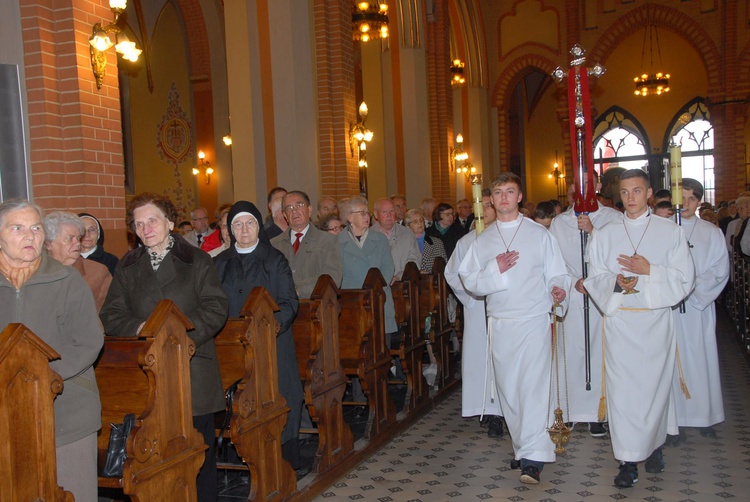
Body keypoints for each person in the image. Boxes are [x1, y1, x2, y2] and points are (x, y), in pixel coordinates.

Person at [100, 193, 228, 501]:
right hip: (149, 371)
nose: (145, 228)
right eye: (139, 224)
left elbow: (216, 307)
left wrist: (178, 336)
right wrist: (141, 328)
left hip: (192, 368)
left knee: (198, 457)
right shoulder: (128, 266)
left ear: (169, 222)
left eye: (152, 220)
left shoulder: (197, 259)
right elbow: (111, 313)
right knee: (158, 459)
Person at [584, 169, 694, 488]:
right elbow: (594, 275)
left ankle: (655, 446)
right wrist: (615, 282)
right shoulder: (604, 233)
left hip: (655, 320)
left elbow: (686, 278)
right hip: (620, 323)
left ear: (648, 193)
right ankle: (627, 460)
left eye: (637, 191)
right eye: (625, 192)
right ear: (620, 195)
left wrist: (651, 270)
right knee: (623, 394)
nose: (630, 197)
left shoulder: (669, 231)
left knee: (654, 390)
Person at [458, 172, 569, 484]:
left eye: (510, 191)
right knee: (509, 391)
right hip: (501, 324)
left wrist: (559, 290)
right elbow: (471, 281)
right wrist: (496, 268)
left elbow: (557, 272)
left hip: (533, 320)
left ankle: (534, 458)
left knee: (532, 388)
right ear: (491, 199)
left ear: (520, 197)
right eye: (498, 192)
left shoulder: (539, 235)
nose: (503, 197)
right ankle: (524, 447)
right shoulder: (483, 240)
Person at [0, 200, 103, 501]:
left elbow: (89, 340)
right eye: (17, 228)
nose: (29, 236)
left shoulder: (65, 279)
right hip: (8, 414)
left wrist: (42, 376)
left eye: (35, 228)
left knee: (73, 493)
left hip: (66, 409)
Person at [213, 201, 305, 473]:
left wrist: (267, 329)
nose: (244, 230)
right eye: (237, 225)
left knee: (279, 395)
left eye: (249, 223)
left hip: (273, 344)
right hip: (233, 347)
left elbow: (289, 302)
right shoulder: (219, 263)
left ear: (258, 227)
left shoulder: (274, 259)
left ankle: (282, 459)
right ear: (229, 230)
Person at [549, 181, 622, 438]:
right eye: (573, 187)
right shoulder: (560, 223)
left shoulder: (613, 218)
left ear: (597, 186)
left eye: (585, 185)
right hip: (574, 294)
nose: (577, 191)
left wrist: (593, 232)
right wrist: (573, 282)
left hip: (601, 296)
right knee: (572, 351)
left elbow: (617, 255)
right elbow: (555, 261)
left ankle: (598, 414)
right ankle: (568, 410)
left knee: (599, 351)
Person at [666, 178, 728, 445]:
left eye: (692, 198)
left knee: (700, 359)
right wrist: (673, 289)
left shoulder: (711, 232)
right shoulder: (666, 230)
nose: (686, 203)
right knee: (672, 360)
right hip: (669, 308)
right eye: (682, 198)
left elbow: (719, 270)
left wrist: (691, 290)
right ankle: (674, 420)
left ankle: (703, 416)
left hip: (697, 308)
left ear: (699, 201)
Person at [445, 189, 504, 438]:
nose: (488, 210)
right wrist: (471, 298)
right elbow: (453, 274)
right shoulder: (467, 242)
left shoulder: (509, 237)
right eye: (485, 205)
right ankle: (489, 410)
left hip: (508, 309)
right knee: (483, 358)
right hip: (478, 309)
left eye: (492, 205)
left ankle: (509, 408)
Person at [339, 196, 396, 404]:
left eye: (366, 212)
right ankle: (360, 401)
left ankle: (382, 398)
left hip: (380, 302)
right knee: (358, 354)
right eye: (361, 213)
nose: (367, 217)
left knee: (380, 354)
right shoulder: (338, 242)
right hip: (354, 308)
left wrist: (375, 288)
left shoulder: (379, 239)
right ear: (348, 218)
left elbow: (389, 268)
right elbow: (338, 275)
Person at [271, 190, 343, 298]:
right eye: (289, 208)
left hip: (317, 306)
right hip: (283, 306)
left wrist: (298, 290)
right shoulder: (274, 244)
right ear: (285, 215)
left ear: (309, 210)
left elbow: (333, 278)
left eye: (299, 205)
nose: (294, 211)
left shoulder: (328, 241)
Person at [44, 211, 112, 311]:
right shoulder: (34, 272)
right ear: (48, 243)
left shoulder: (98, 272)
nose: (77, 243)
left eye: (78, 238)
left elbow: (108, 313)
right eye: (69, 238)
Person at [371, 198, 421, 282]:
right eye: (384, 212)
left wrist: (399, 276)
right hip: (376, 284)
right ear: (376, 215)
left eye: (391, 211)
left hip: (403, 284)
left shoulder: (407, 234)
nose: (389, 215)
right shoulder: (368, 236)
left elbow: (414, 260)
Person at [405, 208, 447, 273]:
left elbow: (444, 267)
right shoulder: (403, 244)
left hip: (432, 281)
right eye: (415, 221)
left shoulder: (437, 243)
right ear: (407, 226)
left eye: (421, 220)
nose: (419, 223)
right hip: (411, 281)